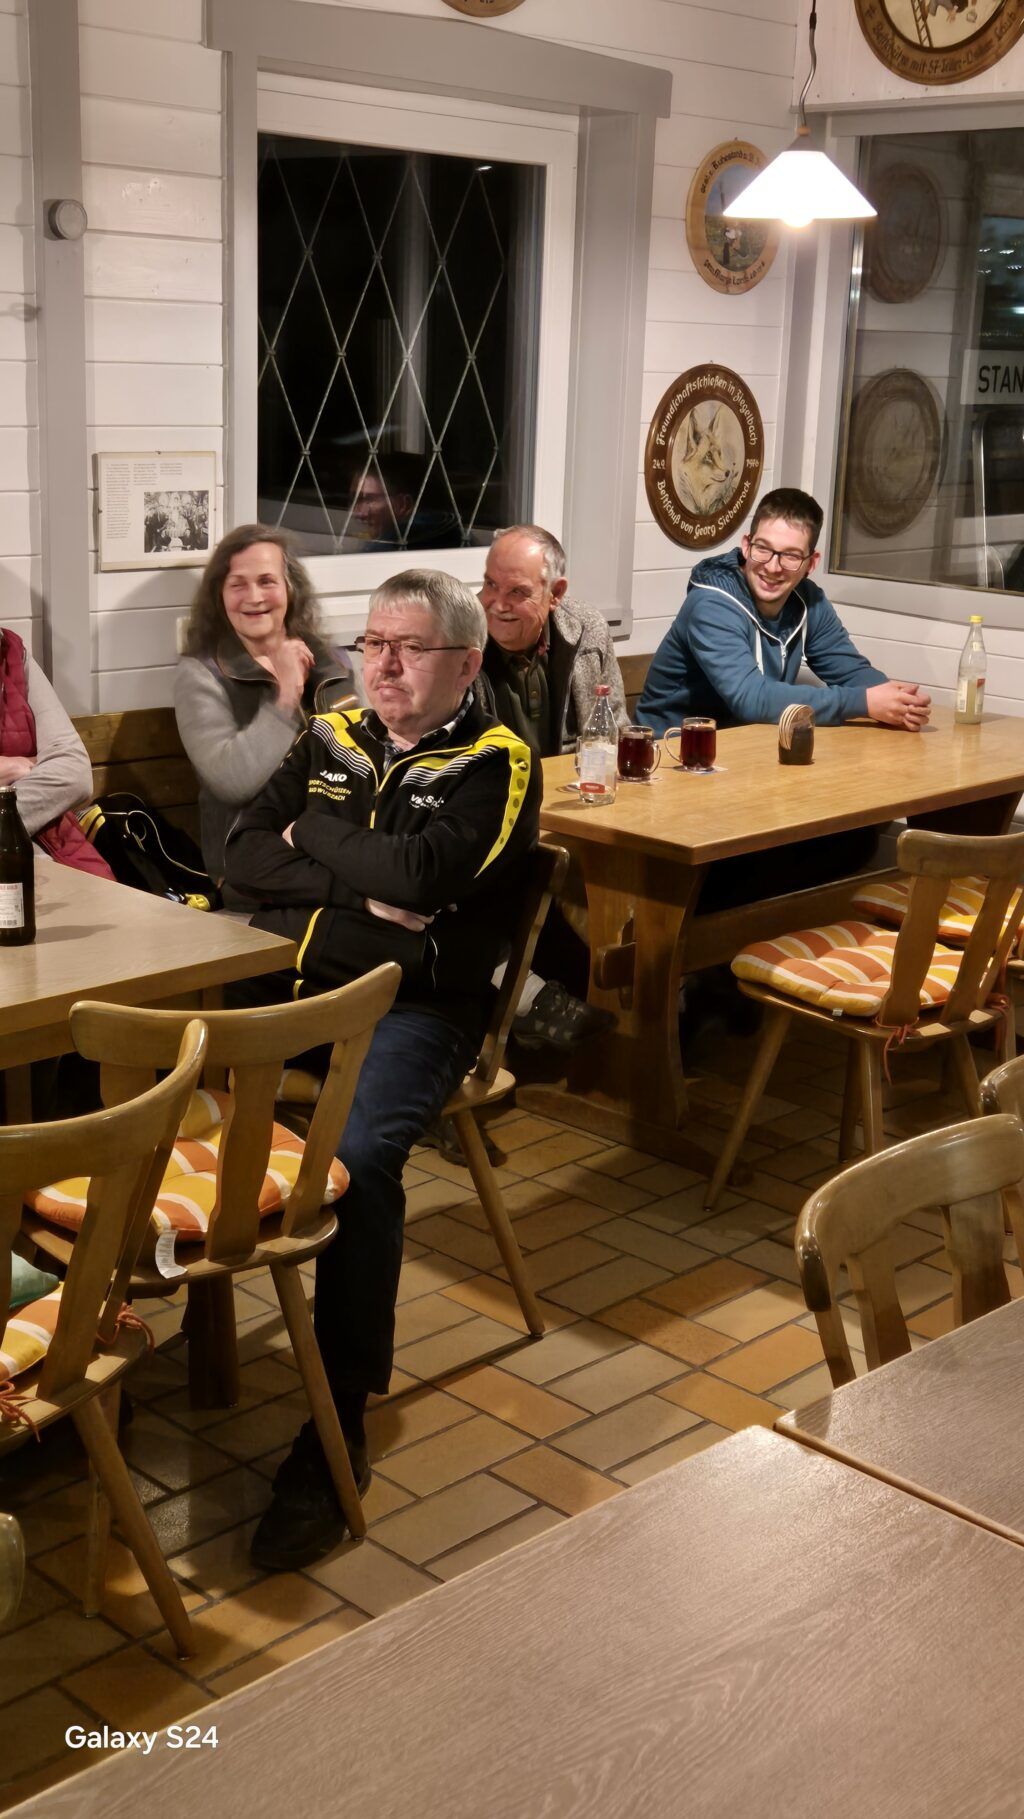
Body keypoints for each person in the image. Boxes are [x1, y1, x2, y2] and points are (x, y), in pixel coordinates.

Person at [223, 569, 540, 1570]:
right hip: (298, 983)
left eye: (409, 648)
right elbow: (239, 853)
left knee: (357, 1158)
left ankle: (337, 1424)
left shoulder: (496, 760)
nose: (383, 665)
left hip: (420, 1006)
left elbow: (424, 875)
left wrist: (312, 837)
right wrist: (360, 884)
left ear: (467, 663)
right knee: (134, 1067)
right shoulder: (332, 735)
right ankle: (97, 1344)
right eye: (371, 644)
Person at [474, 522, 625, 1051]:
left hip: (575, 811)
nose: (496, 604)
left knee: (634, 873)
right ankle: (543, 1002)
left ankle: (650, 995)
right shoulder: (461, 638)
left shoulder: (586, 629)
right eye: (489, 584)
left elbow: (614, 726)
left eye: (517, 592)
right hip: (496, 818)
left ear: (556, 594)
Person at [638, 487, 931, 735]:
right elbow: (750, 698)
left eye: (790, 556)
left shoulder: (809, 601)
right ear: (746, 546)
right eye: (763, 548)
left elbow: (852, 672)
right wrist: (864, 703)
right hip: (670, 754)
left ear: (811, 563)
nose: (772, 566)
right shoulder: (711, 604)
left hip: (747, 750)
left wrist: (900, 702)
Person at [174, 525, 359, 903]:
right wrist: (286, 696)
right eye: (238, 584)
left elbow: (364, 753)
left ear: (290, 588)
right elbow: (232, 780)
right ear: (220, 595)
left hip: (331, 843)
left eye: (266, 581)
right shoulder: (202, 674)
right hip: (250, 865)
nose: (254, 597)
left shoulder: (332, 661)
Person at [0, 627, 111, 876]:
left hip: (58, 855)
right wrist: (16, 767)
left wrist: (12, 769)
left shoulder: (12, 653)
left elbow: (75, 772)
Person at [350, 450, 461, 552]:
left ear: (403, 505)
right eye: (355, 499)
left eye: (369, 500)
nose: (358, 513)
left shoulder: (385, 552)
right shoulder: (455, 538)